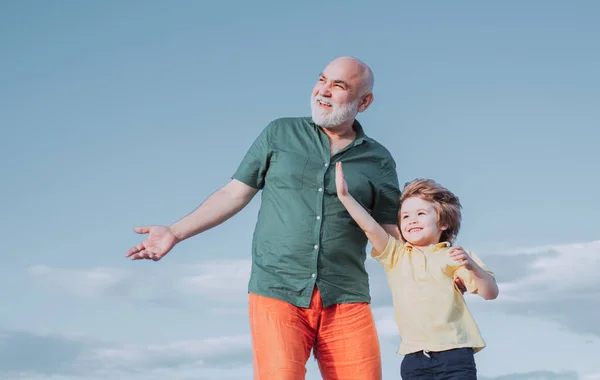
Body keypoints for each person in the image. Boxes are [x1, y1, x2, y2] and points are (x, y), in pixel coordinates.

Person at [125, 56, 403, 379]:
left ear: (364, 101)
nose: (323, 91)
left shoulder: (378, 159)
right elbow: (234, 193)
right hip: (277, 291)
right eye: (322, 80)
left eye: (338, 86)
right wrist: (175, 231)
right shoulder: (280, 134)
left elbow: (392, 234)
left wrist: (437, 268)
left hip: (346, 296)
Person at [335, 164, 499, 380]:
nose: (412, 220)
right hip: (415, 360)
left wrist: (472, 266)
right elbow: (370, 227)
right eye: (405, 216)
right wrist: (345, 196)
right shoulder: (396, 255)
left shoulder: (456, 256)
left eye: (421, 213)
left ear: (443, 222)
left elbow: (490, 292)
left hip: (456, 354)